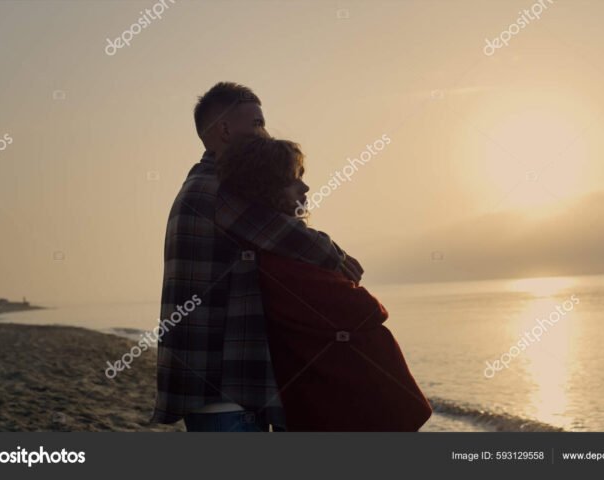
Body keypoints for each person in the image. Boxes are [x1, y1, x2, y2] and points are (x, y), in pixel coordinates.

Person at [152, 82, 363, 432]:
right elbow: (289, 236)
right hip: (218, 385)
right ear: (224, 129)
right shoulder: (215, 187)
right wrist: (339, 258)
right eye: (257, 123)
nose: (264, 133)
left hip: (217, 385)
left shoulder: (204, 183)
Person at [216, 135, 432, 431]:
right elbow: (366, 309)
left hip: (340, 400)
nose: (305, 187)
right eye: (294, 180)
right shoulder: (280, 262)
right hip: (343, 404)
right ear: (267, 189)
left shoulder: (283, 252)